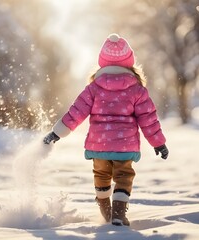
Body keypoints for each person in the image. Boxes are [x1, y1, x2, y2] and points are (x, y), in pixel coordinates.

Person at [43, 33, 168, 226]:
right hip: (125, 146)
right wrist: (158, 143)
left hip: (99, 145)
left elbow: (76, 112)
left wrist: (57, 133)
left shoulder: (93, 88)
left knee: (101, 176)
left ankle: (107, 213)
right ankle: (117, 214)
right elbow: (148, 119)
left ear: (102, 63)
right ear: (130, 63)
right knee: (123, 177)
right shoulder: (137, 90)